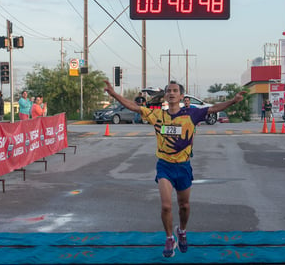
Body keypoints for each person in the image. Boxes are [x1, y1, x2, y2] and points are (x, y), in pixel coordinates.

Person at [103, 79, 246, 258]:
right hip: (164, 166)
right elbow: (134, 107)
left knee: (184, 206)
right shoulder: (157, 115)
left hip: (184, 167)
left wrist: (233, 100)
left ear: (181, 96)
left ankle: (182, 231)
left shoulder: (191, 114)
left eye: (175, 90)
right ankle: (169, 238)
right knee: (165, 206)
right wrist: (114, 94)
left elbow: (213, 108)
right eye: (168, 90)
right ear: (165, 95)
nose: (171, 93)